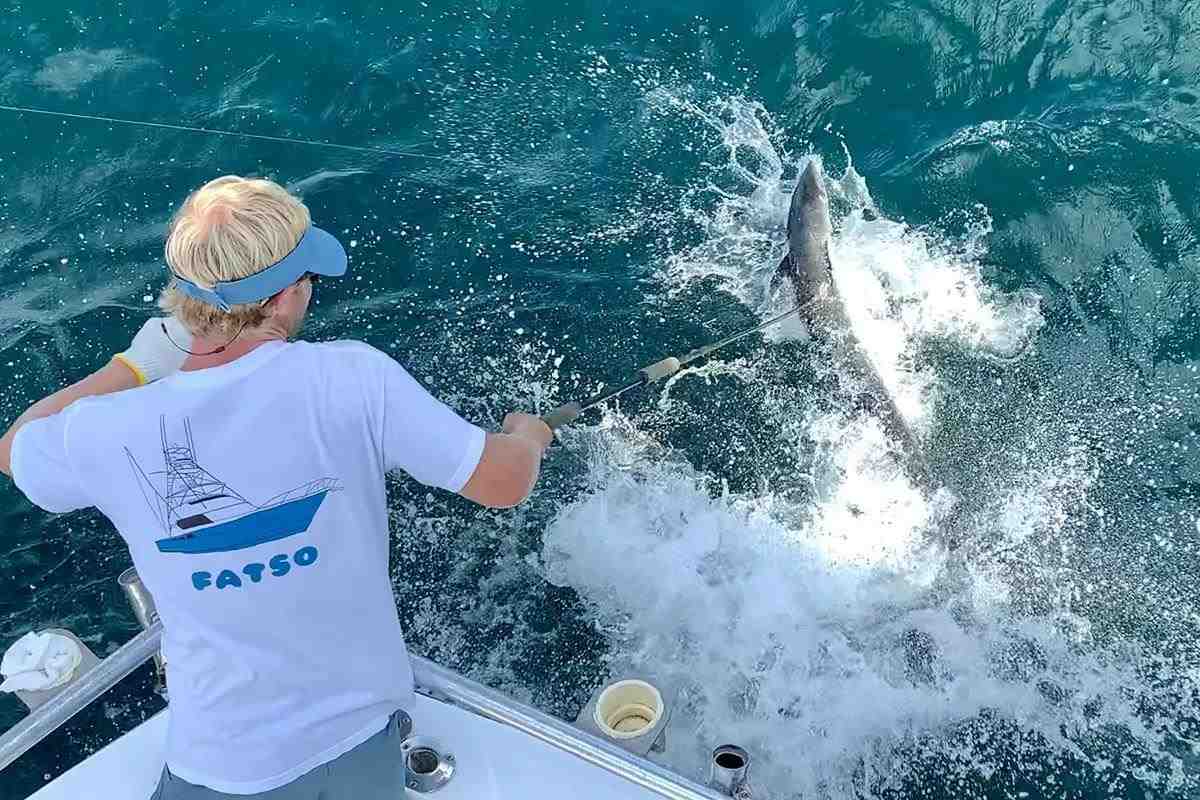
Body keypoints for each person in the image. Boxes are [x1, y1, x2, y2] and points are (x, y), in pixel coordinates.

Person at [0, 175, 554, 799]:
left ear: (184, 300)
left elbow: (15, 449)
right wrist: (527, 436)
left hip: (218, 763)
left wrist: (132, 368)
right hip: (361, 739)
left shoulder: (106, 431)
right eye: (308, 280)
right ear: (287, 297)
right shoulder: (352, 378)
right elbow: (505, 482)